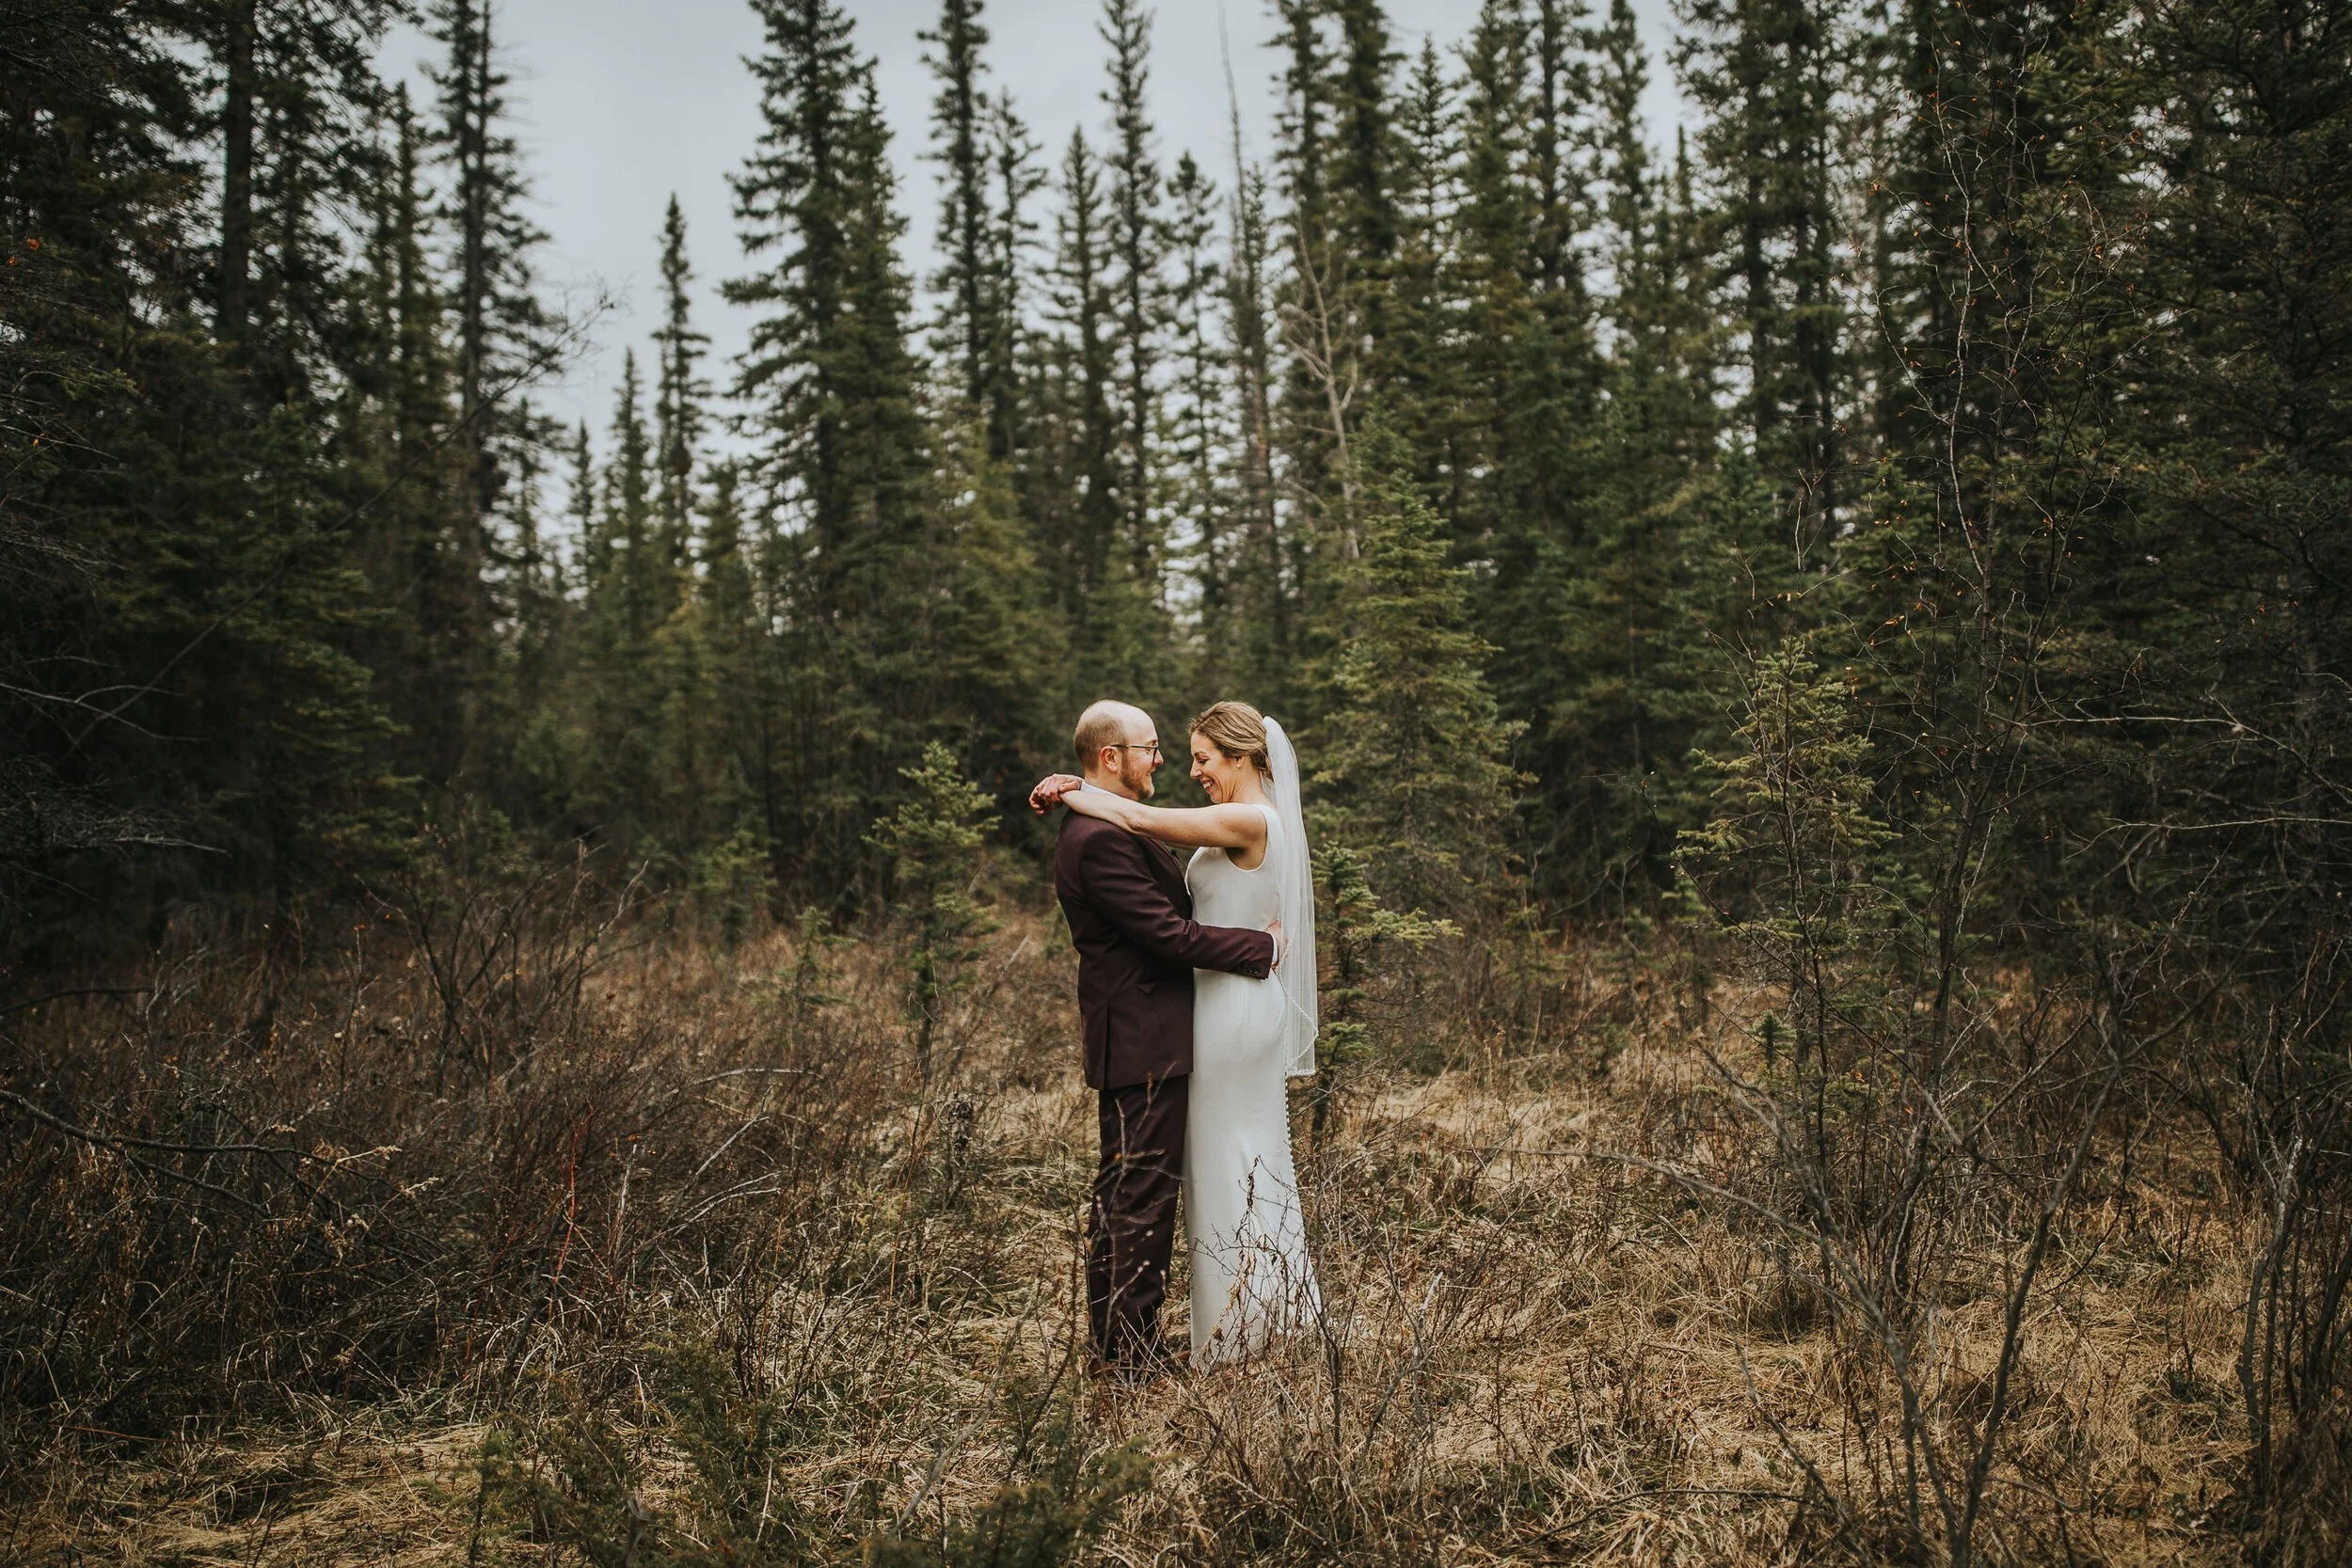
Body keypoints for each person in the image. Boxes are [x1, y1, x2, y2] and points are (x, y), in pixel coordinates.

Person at [1033, 700, 1322, 1369]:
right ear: (1111, 757)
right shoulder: (1101, 835)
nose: (1176, 765)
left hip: (1211, 1018)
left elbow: (1142, 829)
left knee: (1200, 1171)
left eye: (1198, 756)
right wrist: (1258, 945)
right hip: (1152, 1035)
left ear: (1243, 758)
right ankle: (1132, 1353)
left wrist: (1072, 787)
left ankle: (1212, 1329)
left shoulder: (1237, 818)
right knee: (1147, 1192)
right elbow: (1168, 933)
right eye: (1157, 749)